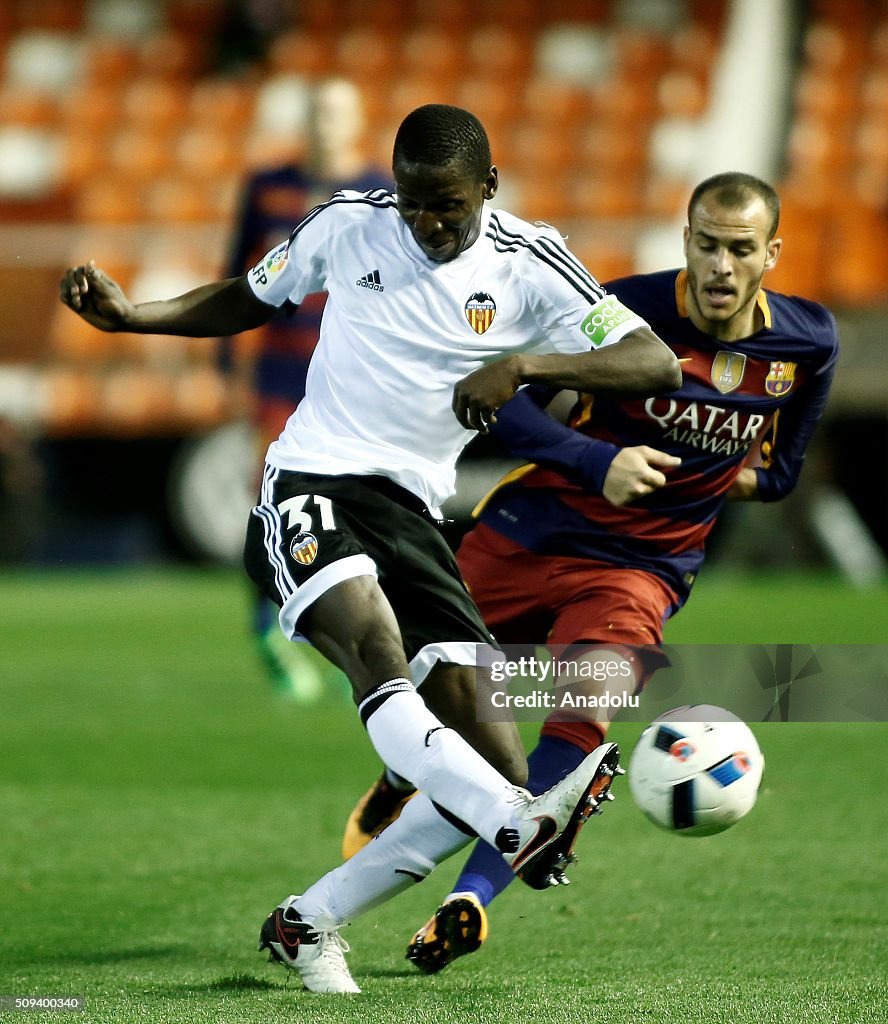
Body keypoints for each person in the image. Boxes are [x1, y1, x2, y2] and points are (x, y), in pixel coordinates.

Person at [59, 103, 681, 994]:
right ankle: (517, 823)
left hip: (417, 519)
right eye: (416, 201)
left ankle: (308, 922)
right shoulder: (350, 225)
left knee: (494, 757)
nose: (429, 223)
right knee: (379, 657)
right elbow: (248, 294)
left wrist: (525, 366)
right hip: (311, 483)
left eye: (450, 205)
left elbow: (652, 360)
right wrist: (134, 319)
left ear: (490, 190)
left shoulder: (530, 263)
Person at [343, 171, 839, 975]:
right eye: (707, 245)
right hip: (528, 532)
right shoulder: (624, 311)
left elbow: (779, 476)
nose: (721, 266)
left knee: (576, 724)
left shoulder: (806, 344)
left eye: (740, 250)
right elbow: (501, 398)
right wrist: (595, 458)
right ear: (685, 241)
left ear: (770, 255)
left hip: (642, 572)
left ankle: (467, 899)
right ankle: (403, 770)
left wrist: (699, 483)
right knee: (431, 678)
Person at [221, 77, 392, 700]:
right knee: (274, 496)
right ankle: (267, 624)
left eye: (337, 112)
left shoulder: (383, 190)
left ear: (356, 121)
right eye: (318, 110)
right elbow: (236, 275)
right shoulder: (267, 186)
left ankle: (356, 633)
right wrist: (224, 361)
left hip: (351, 373)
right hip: (280, 371)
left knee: (352, 503)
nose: (326, 123)